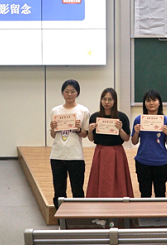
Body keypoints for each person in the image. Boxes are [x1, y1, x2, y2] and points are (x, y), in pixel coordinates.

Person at [48, 79, 90, 209]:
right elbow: (53, 135)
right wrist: (53, 128)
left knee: (77, 190)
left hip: (75, 155)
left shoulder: (83, 111)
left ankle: (78, 216)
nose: (69, 94)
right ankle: (61, 217)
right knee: (59, 190)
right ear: (62, 93)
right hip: (57, 155)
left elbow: (85, 134)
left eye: (73, 91)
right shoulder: (55, 111)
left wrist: (78, 129)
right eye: (66, 91)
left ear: (77, 93)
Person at [86, 88, 134, 198]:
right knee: (100, 179)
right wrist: (90, 130)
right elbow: (91, 139)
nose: (107, 102)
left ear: (115, 101)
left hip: (116, 152)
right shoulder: (94, 117)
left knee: (118, 180)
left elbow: (126, 138)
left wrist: (120, 129)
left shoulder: (122, 117)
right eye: (104, 99)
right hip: (100, 152)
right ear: (101, 100)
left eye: (110, 99)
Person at [131, 90, 167, 198]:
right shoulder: (139, 119)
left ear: (159, 103)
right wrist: (136, 132)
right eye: (148, 100)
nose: (151, 103)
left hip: (160, 161)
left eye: (154, 100)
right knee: (145, 194)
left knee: (160, 194)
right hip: (143, 160)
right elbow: (134, 141)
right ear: (144, 103)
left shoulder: (166, 121)